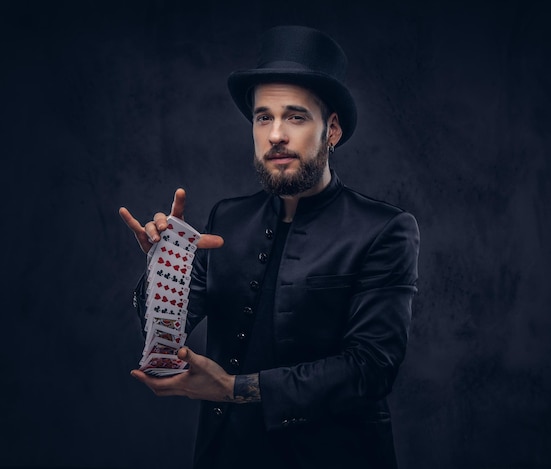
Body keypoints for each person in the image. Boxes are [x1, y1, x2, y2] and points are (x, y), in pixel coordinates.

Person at [120, 25, 420, 469]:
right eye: (264, 117)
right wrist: (166, 268)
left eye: (295, 117)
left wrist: (232, 388)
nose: (276, 134)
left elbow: (370, 368)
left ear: (331, 129)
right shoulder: (226, 219)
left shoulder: (385, 229)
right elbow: (168, 334)